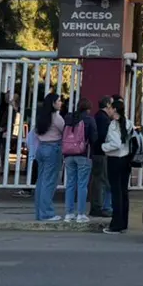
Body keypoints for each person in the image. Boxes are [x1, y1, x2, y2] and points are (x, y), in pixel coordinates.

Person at [99, 95, 132, 234]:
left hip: (115, 160)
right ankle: (123, 222)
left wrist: (103, 147)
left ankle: (116, 224)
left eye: (111, 108)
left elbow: (115, 144)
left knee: (116, 192)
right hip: (126, 159)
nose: (109, 110)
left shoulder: (113, 125)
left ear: (114, 109)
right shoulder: (128, 123)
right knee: (123, 192)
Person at [61, 97, 98, 223]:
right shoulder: (89, 119)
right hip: (83, 154)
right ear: (88, 108)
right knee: (82, 184)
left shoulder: (68, 118)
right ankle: (81, 214)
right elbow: (94, 138)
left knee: (70, 183)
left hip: (68, 154)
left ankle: (69, 213)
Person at [30, 91, 65, 222]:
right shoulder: (57, 117)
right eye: (59, 101)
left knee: (41, 181)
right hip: (53, 149)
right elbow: (64, 131)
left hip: (41, 148)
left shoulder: (41, 116)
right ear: (53, 103)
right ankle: (47, 213)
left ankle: (40, 213)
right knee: (49, 182)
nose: (61, 103)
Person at [88, 96, 113, 219]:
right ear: (108, 105)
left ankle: (98, 206)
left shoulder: (97, 116)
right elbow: (104, 135)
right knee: (101, 181)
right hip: (102, 153)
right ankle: (98, 207)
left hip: (96, 152)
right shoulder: (103, 119)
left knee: (98, 180)